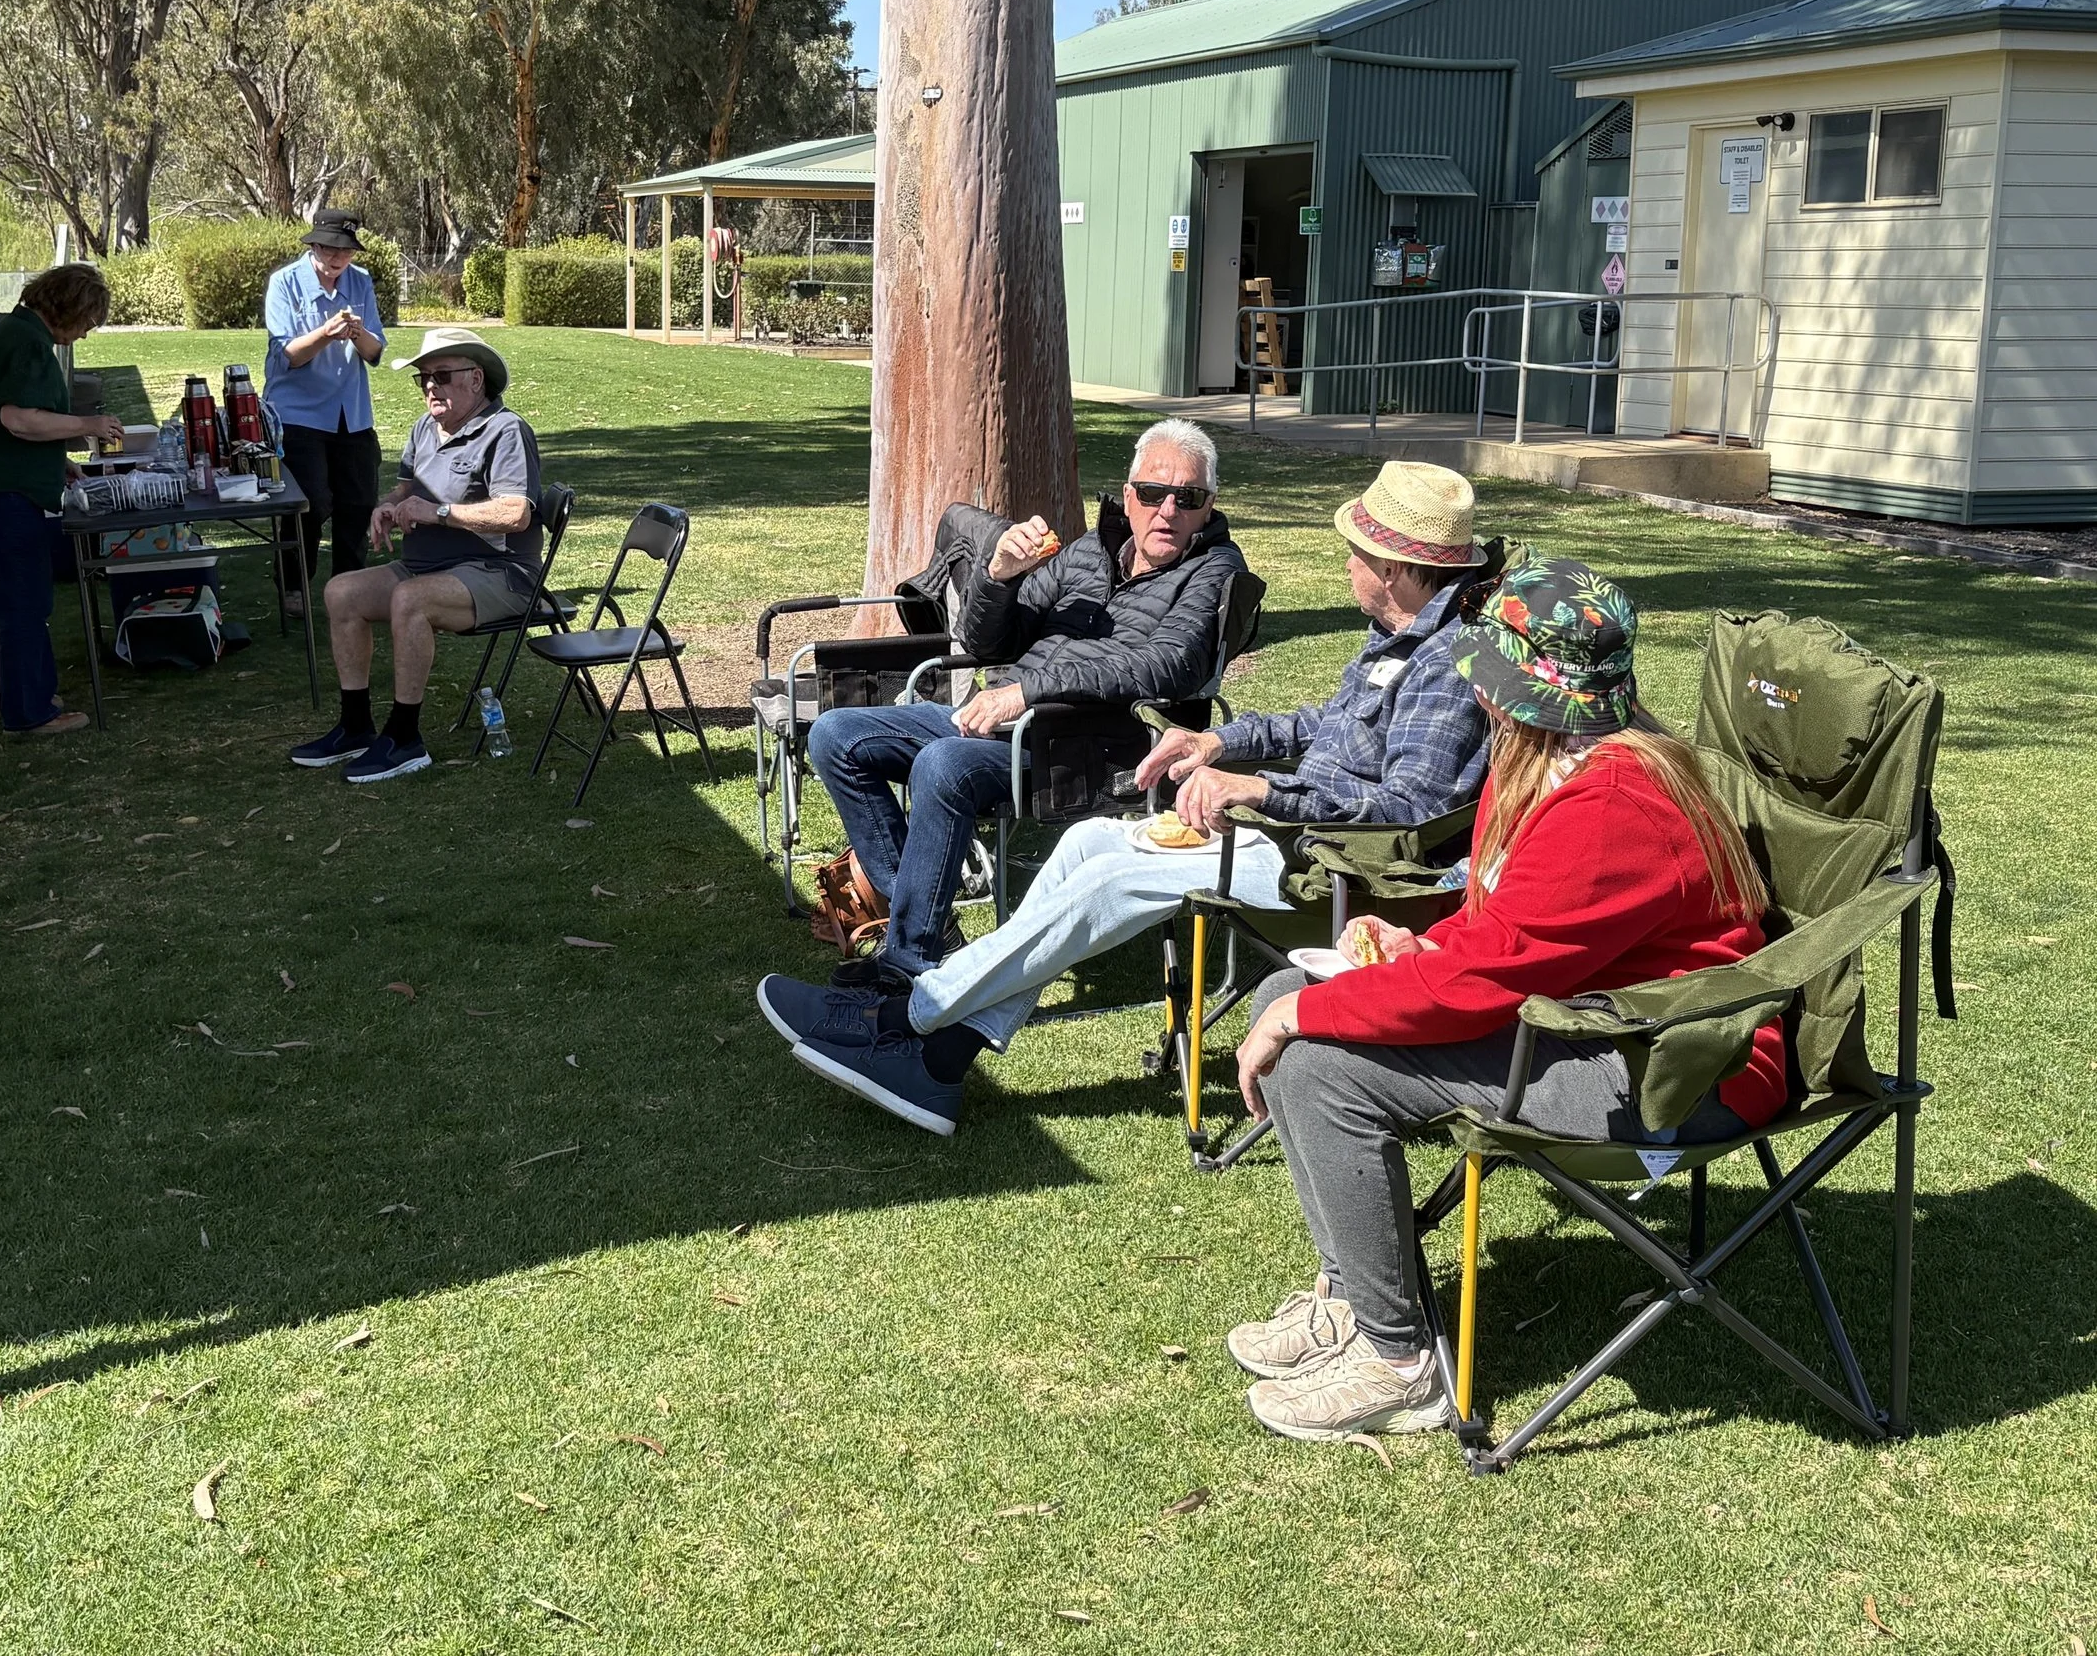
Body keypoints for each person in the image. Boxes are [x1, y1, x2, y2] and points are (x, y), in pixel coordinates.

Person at [758, 460, 1493, 1137]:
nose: (1347, 563)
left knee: (1112, 879)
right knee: (1087, 844)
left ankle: (904, 1014)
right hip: (1297, 834)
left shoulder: (1446, 665)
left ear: (1395, 569)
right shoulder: (1396, 636)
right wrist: (1219, 741)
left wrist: (1264, 788)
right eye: (1150, 491)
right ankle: (937, 1063)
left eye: (1358, 552)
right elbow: (1323, 725)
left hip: (1338, 869)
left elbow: (1409, 813)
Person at [1226, 557, 1787, 1442]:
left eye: (1488, 674)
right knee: (1283, 987)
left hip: (1674, 1067)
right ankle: (1350, 1291)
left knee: (1320, 1065)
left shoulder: (1612, 802)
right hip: (1584, 1015)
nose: (1476, 692)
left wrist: (1313, 1014)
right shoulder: (1549, 756)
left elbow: (1489, 979)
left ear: (1525, 693)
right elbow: (1503, 927)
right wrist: (1419, 944)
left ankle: (1399, 1363)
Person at [794, 420, 1247, 1015]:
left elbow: (1168, 665)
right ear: (1129, 495)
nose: (1168, 511)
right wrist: (999, 576)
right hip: (1012, 725)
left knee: (944, 764)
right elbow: (987, 642)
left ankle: (910, 959)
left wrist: (1028, 690)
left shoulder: (1215, 569)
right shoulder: (1090, 550)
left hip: (1094, 747)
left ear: (1208, 505)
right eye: (1153, 493)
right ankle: (927, 919)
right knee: (836, 734)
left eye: (1186, 497)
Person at [287, 328, 538, 785]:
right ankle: (356, 726)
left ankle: (405, 739)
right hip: (427, 566)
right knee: (341, 591)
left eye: (442, 375)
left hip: (500, 574)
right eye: (423, 378)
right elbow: (405, 489)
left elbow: (515, 513)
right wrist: (386, 506)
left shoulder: (506, 430)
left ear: (476, 378)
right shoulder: (425, 428)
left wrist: (440, 513)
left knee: (410, 598)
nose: (430, 387)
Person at [0, 263, 121, 738]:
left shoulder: (15, 335)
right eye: (86, 321)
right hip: (0, 489)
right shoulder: (26, 344)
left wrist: (57, 460)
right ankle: (29, 712)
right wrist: (88, 425)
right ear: (68, 308)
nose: (84, 333)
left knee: (3, 596)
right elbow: (19, 420)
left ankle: (0, 697)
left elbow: (17, 422)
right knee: (24, 598)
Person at [263, 210, 386, 612]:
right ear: (314, 246)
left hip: (352, 413)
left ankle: (349, 589)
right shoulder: (284, 283)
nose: (338, 259)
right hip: (298, 413)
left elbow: (375, 353)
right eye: (331, 249)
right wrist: (326, 333)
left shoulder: (360, 281)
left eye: (346, 251)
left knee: (359, 502)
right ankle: (293, 583)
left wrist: (357, 333)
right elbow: (290, 355)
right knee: (310, 502)